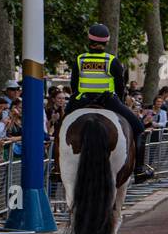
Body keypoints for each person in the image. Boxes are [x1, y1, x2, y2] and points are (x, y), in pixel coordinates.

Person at [65, 23, 154, 182]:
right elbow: (120, 87)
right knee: (139, 128)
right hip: (108, 101)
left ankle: (56, 168)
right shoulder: (112, 61)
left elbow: (74, 85)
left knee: (61, 127)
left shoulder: (80, 59)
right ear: (106, 42)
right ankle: (139, 171)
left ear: (89, 40)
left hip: (82, 101)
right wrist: (120, 101)